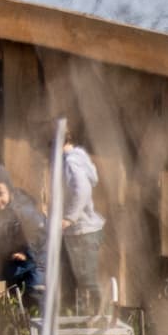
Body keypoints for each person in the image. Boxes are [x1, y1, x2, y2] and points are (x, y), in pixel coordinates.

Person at [0, 170, 47, 308]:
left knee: (35, 291)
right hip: (12, 261)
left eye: (0, 194)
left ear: (10, 191)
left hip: (35, 258)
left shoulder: (23, 209)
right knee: (9, 294)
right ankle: (16, 324)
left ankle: (39, 323)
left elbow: (39, 233)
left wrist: (27, 253)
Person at [52, 127, 104, 303]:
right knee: (72, 279)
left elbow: (81, 190)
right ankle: (74, 319)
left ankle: (99, 319)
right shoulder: (74, 159)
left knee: (86, 280)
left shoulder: (71, 162)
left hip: (82, 231)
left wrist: (68, 218)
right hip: (77, 231)